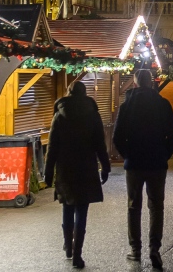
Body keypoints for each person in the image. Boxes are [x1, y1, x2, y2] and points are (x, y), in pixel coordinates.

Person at [112, 69, 173, 269]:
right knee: (156, 206)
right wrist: (164, 153)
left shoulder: (127, 106)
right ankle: (154, 249)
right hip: (157, 163)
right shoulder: (162, 104)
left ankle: (135, 249)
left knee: (134, 206)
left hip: (134, 163)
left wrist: (128, 154)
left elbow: (117, 137)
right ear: (151, 83)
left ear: (135, 83)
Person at [44, 82, 110, 269]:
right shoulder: (92, 115)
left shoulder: (59, 115)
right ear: (85, 93)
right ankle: (78, 255)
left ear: (69, 93)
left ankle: (68, 246)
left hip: (65, 168)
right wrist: (105, 167)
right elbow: (100, 145)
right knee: (82, 210)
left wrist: (48, 174)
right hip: (86, 167)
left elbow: (52, 147)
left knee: (67, 207)